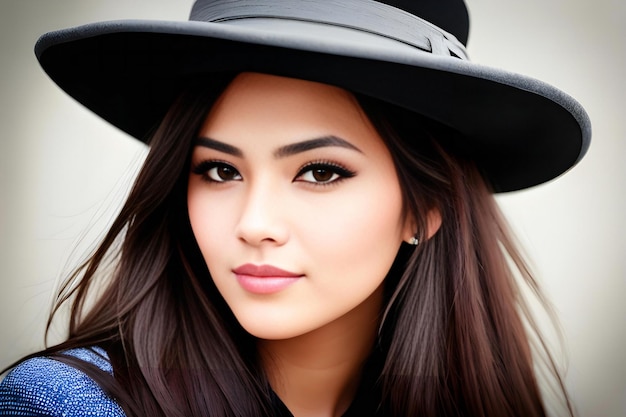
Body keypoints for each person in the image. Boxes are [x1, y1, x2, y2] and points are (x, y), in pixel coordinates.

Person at [0, 0, 591, 416]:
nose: (254, 224)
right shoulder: (64, 404)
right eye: (220, 170)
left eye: (320, 172)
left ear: (426, 206)